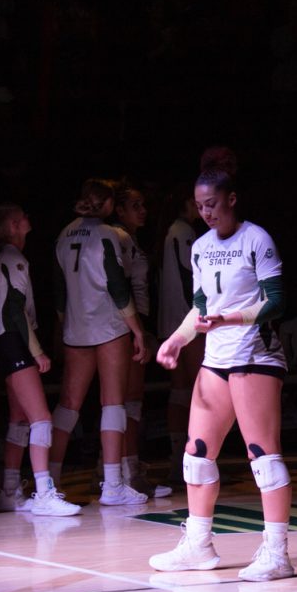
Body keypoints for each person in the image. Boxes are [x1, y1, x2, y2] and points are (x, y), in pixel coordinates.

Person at [149, 164, 293, 581]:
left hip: (255, 356)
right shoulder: (200, 246)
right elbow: (200, 306)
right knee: (196, 455)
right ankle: (198, 544)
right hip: (216, 357)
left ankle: (277, 552)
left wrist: (231, 319)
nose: (206, 213)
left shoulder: (257, 239)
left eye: (211, 204)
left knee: (262, 457)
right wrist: (177, 339)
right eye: (199, 206)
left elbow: (276, 301)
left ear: (231, 198)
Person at [50, 178, 148, 504]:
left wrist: (64, 326)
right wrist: (136, 330)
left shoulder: (64, 234)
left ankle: (48, 481)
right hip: (108, 328)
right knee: (113, 404)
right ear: (107, 205)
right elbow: (118, 288)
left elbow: (60, 290)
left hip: (76, 330)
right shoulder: (108, 235)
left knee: (68, 407)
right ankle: (113, 486)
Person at [0, 203, 79, 516]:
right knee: (41, 419)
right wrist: (37, 350)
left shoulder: (8, 258)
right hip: (15, 342)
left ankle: (10, 491)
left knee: (19, 421)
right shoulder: (14, 260)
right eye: (23, 216)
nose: (29, 218)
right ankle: (44, 493)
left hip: (5, 341)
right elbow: (14, 310)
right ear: (13, 225)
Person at [112, 182, 171, 498]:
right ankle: (127, 472)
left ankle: (122, 467)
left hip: (134, 323)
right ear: (119, 209)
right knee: (127, 401)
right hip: (124, 327)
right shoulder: (117, 238)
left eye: (143, 205)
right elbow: (121, 288)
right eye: (135, 205)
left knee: (130, 401)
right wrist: (138, 330)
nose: (143, 211)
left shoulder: (129, 239)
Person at [155, 187, 204, 487]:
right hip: (186, 321)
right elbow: (191, 280)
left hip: (170, 318)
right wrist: (198, 319)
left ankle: (179, 459)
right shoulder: (183, 231)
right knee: (199, 386)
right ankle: (193, 457)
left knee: (181, 389)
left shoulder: (171, 231)